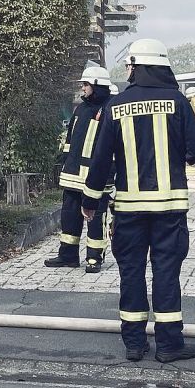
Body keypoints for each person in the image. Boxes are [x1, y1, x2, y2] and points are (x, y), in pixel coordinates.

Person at [82, 39, 195, 364]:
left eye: (130, 66)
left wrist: (90, 199)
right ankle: (168, 346)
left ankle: (135, 345)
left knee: (131, 273)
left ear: (138, 67)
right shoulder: (179, 102)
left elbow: (99, 159)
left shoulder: (115, 105)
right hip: (169, 209)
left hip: (129, 210)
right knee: (166, 273)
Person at [44, 66, 113, 273]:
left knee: (95, 219)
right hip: (72, 176)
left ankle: (94, 258)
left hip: (96, 179)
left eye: (86, 84)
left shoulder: (109, 110)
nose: (82, 88)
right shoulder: (81, 109)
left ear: (97, 85)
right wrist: (65, 160)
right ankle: (68, 255)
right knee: (69, 216)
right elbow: (70, 140)